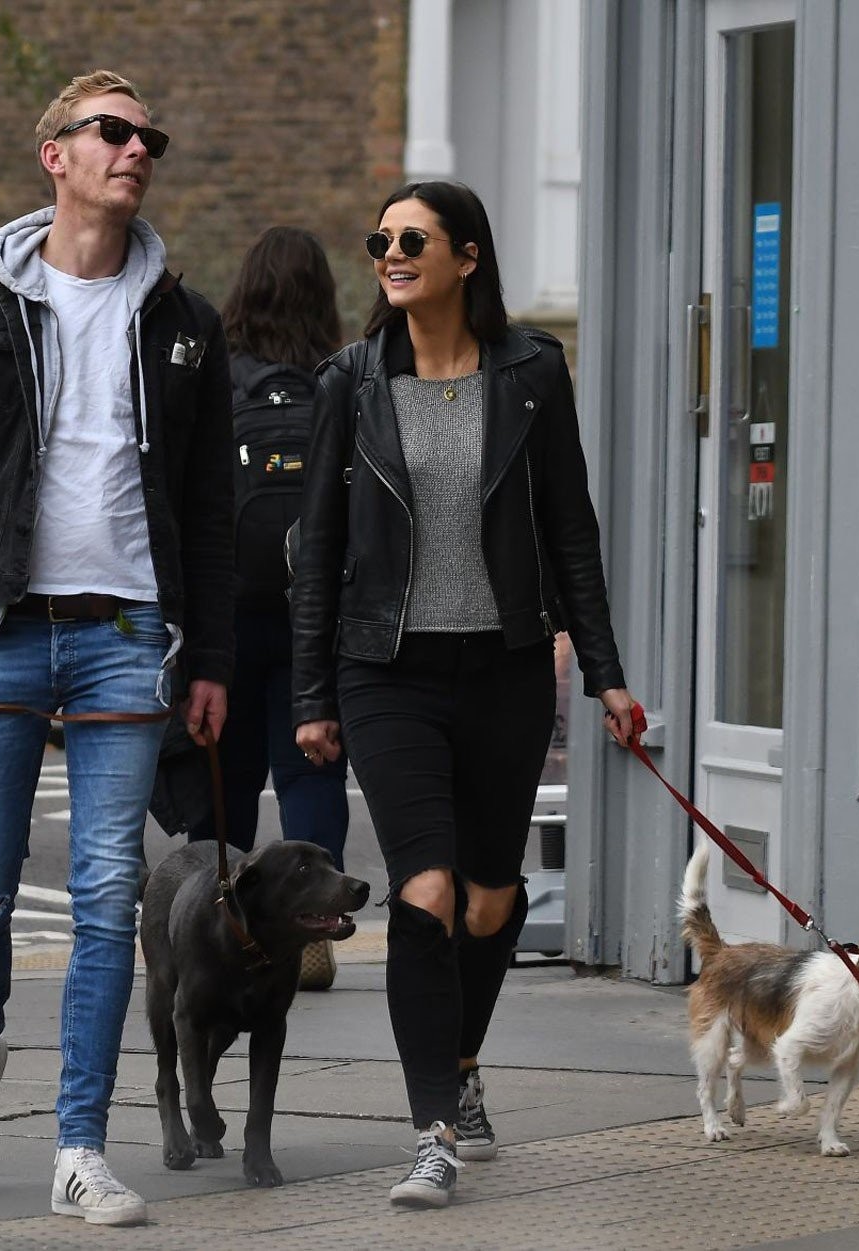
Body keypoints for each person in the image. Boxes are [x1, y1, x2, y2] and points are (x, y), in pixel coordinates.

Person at [0, 71, 233, 1226]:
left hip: (128, 632)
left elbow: (208, 509)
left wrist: (214, 662)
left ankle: (80, 1146)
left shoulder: (183, 321)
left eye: (151, 135)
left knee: (102, 900)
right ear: (57, 157)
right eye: (115, 132)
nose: (138, 149)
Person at [291, 180, 637, 1208]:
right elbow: (319, 552)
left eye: (413, 240)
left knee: (489, 902)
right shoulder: (349, 381)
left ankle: (464, 1065)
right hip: (384, 671)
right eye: (380, 240)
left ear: (466, 259)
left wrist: (607, 674)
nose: (390, 254)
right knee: (426, 893)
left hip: (504, 668)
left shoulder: (530, 372)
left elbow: (569, 528)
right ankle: (431, 1128)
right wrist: (313, 690)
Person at [150, 226, 349, 990]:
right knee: (311, 767)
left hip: (225, 611)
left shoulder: (218, 378)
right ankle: (314, 929)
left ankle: (221, 920)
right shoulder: (338, 380)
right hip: (312, 612)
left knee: (223, 773)